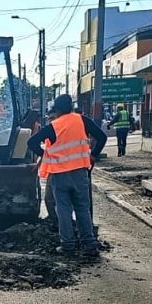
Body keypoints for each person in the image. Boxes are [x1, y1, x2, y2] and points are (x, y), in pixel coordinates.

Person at [27, 94, 107, 257]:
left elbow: (31, 142)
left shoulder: (53, 126)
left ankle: (68, 245)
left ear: (57, 110)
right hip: (80, 173)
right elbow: (102, 137)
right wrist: (93, 155)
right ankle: (89, 245)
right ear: (71, 107)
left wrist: (45, 155)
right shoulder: (82, 120)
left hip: (59, 175)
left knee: (63, 209)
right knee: (82, 208)